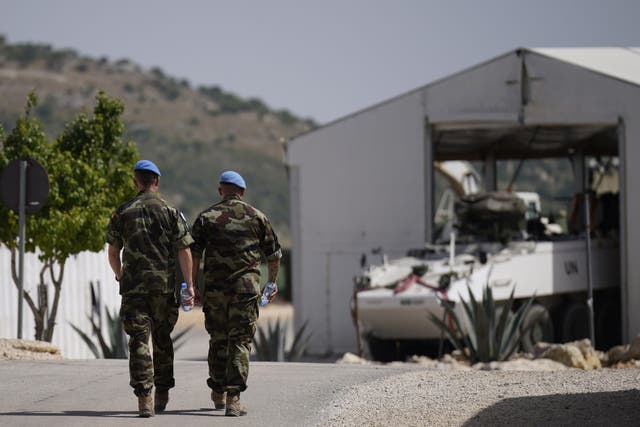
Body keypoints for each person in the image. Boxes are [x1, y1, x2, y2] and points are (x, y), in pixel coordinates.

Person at [105, 159, 195, 417]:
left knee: (138, 342)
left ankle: (144, 397)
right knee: (162, 340)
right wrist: (189, 285)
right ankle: (163, 393)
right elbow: (184, 250)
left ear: (136, 182)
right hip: (163, 289)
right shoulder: (170, 211)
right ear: (156, 181)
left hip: (134, 289)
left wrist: (121, 277)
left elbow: (113, 253)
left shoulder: (122, 212)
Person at [190, 170, 281, 417]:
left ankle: (218, 390)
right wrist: (271, 284)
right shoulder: (257, 217)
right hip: (245, 292)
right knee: (240, 342)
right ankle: (233, 398)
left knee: (218, 339)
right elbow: (274, 255)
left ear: (221, 191)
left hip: (215, 292)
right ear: (242, 192)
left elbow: (193, 253)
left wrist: (193, 285)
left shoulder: (206, 217)